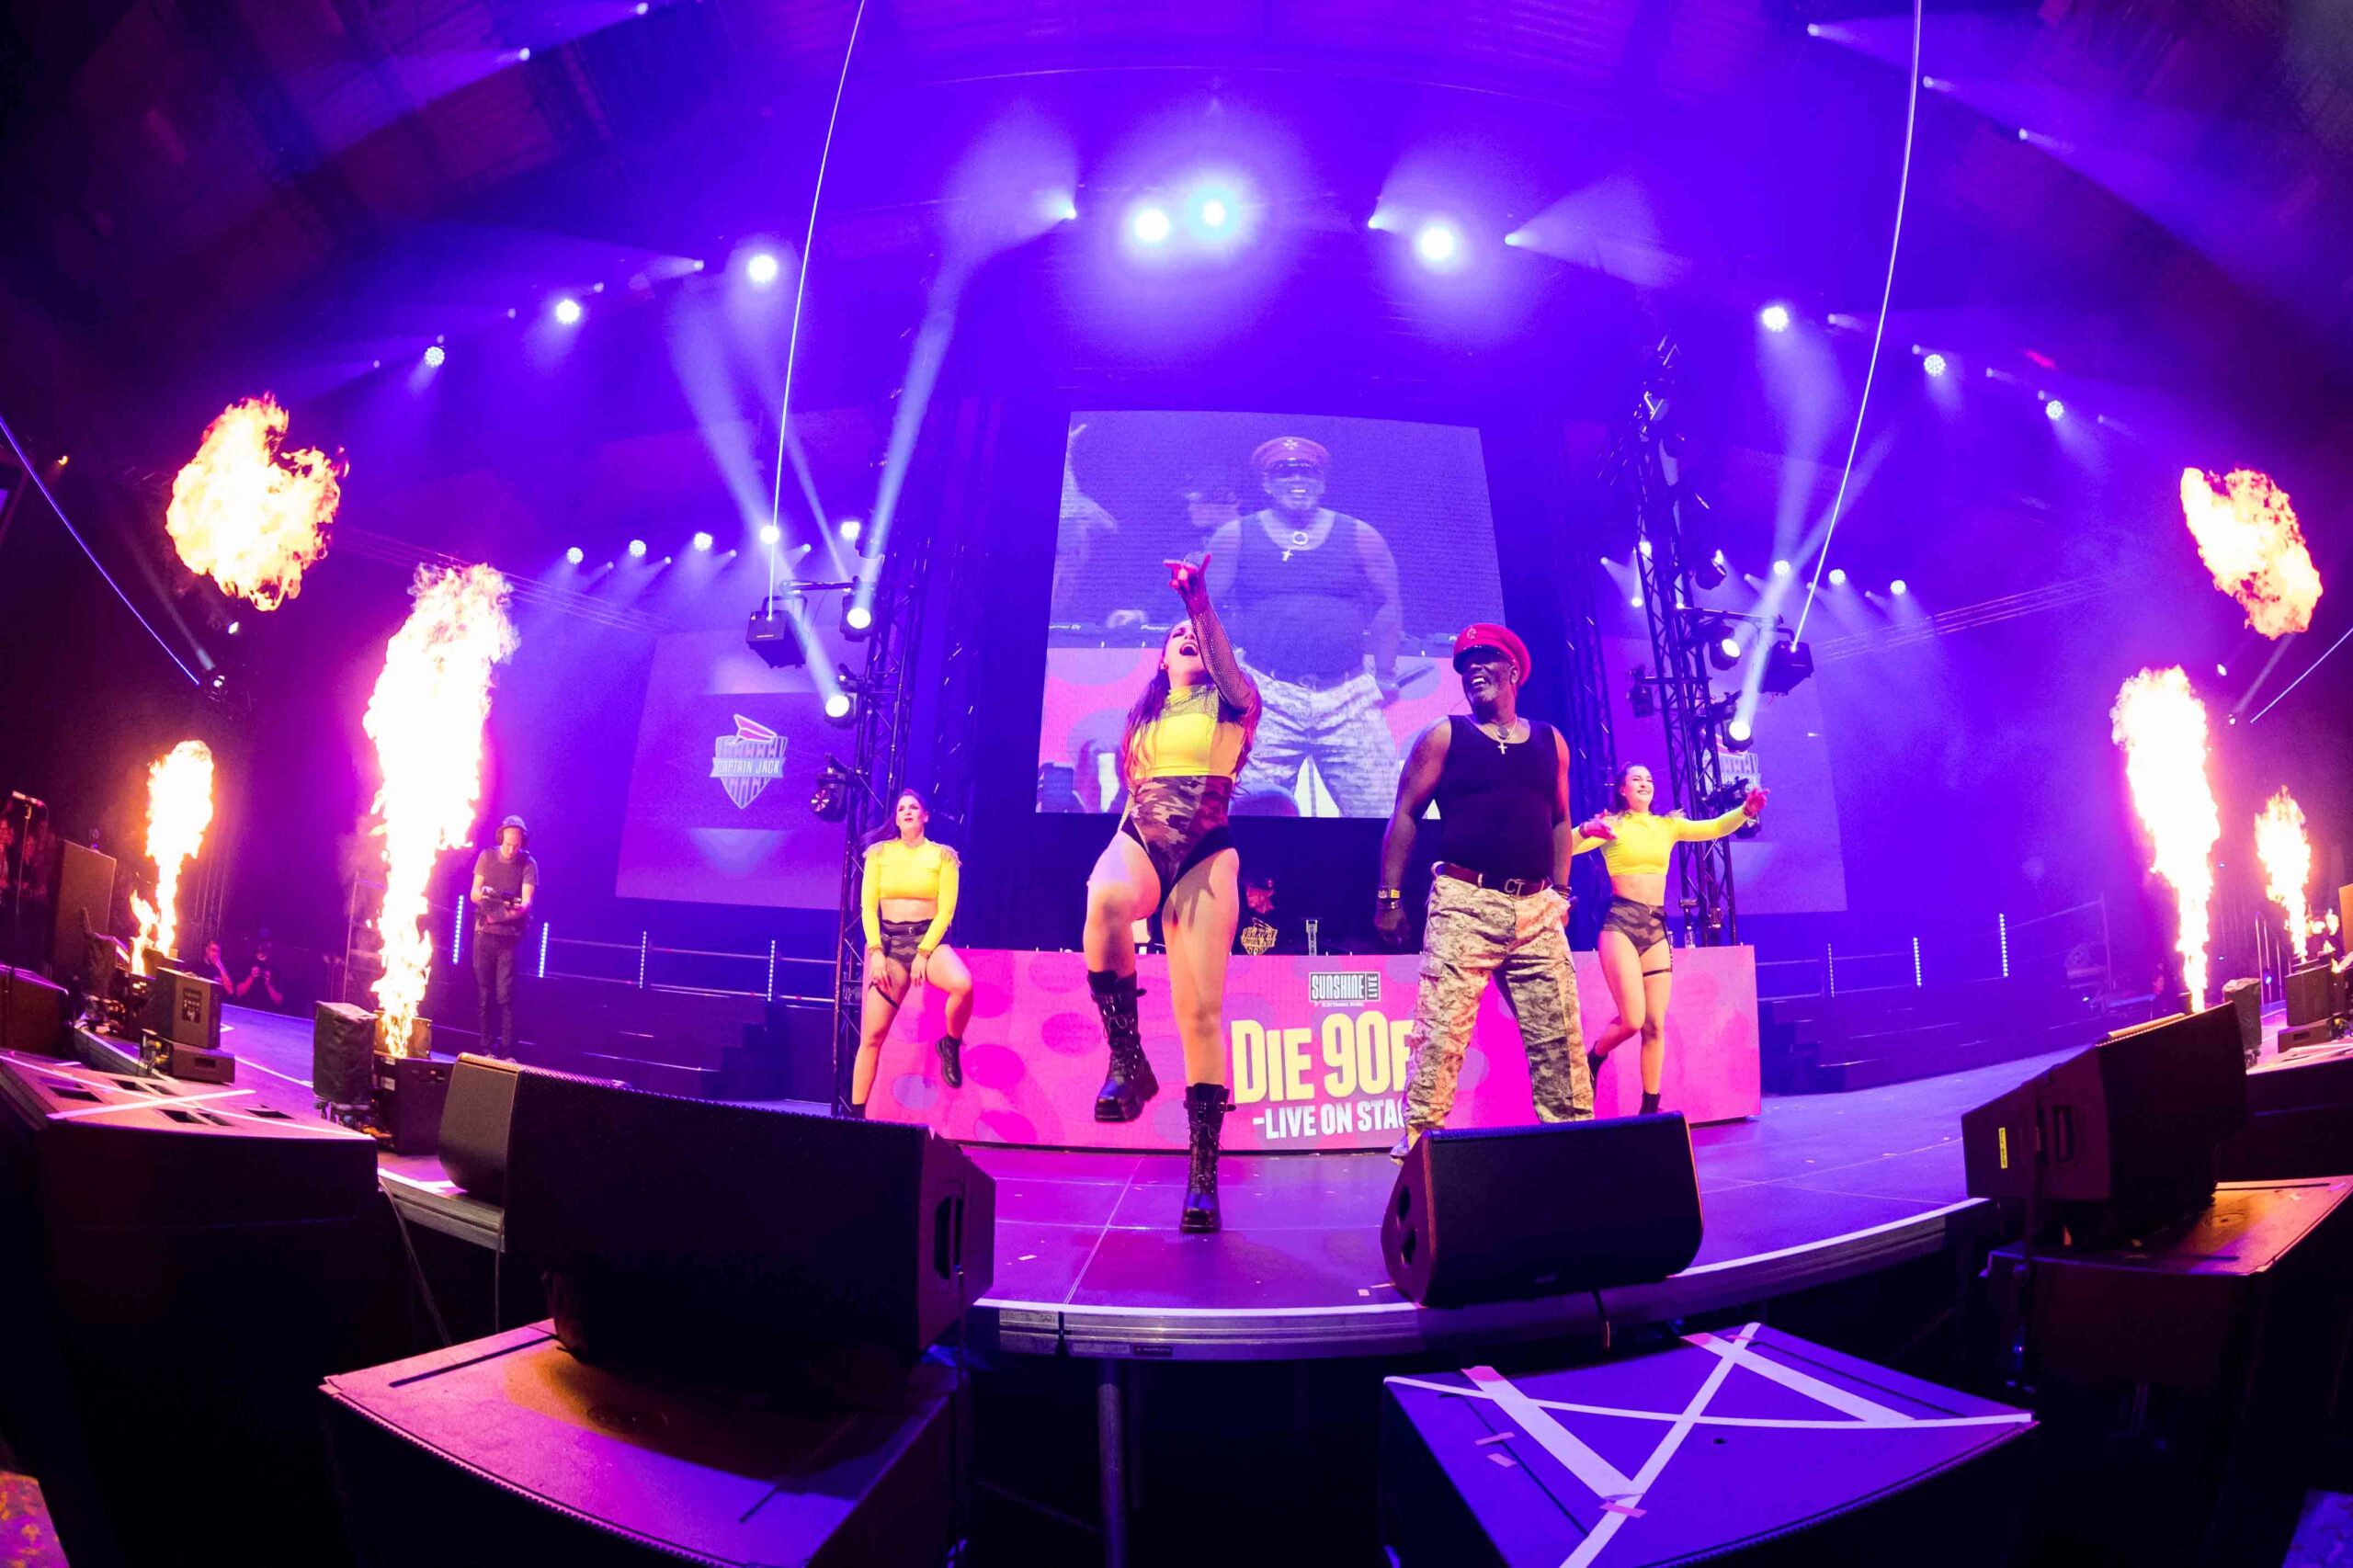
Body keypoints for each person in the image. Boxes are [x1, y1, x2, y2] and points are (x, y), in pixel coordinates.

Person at [1378, 623, 1614, 1155]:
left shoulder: (1550, 741)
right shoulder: (1444, 735)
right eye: (1465, 664)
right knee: (1440, 1037)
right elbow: (1406, 813)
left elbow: (1560, 819)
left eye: (1485, 660)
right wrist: (1388, 897)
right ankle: (1420, 1150)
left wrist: (1562, 892)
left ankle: (1575, 1152)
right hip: (1465, 902)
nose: (1473, 669)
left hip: (1537, 906)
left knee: (1560, 1040)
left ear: (1513, 671)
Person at [1082, 555, 1260, 1233]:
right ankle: (1127, 1057)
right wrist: (1122, 848)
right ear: (1159, 660)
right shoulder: (1141, 719)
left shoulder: (1234, 701)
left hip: (1207, 851)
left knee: (1200, 1017)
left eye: (1194, 636)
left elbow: (1224, 663)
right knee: (1103, 898)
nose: (1185, 638)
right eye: (1176, 636)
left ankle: (1202, 1176)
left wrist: (1199, 606)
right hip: (1141, 833)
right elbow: (1135, 798)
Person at [1207, 437, 1405, 817]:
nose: (1297, 479)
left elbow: (1388, 602)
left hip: (1348, 696)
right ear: (1267, 484)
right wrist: (1224, 678)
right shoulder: (1234, 537)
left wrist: (1385, 673)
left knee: (1382, 816)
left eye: (1307, 471)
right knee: (1250, 816)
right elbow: (1204, 610)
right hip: (1265, 695)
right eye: (1284, 472)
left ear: (1322, 482)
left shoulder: (1361, 535)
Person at [1573, 765, 1766, 1114]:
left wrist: (1745, 811)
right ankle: (1595, 1057)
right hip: (1620, 923)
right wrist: (1585, 828)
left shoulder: (1668, 826)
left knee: (1654, 1024)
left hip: (1655, 926)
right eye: (1636, 779)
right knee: (1632, 1020)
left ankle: (1650, 1107)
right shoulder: (1612, 825)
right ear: (1621, 789)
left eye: (1649, 779)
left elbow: (1714, 828)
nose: (1645, 783)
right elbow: (1564, 847)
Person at [851, 789, 974, 1116]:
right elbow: (868, 907)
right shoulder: (879, 853)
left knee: (963, 985)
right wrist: (876, 952)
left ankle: (950, 1042)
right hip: (889, 945)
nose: (907, 812)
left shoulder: (943, 856)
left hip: (927, 940)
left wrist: (923, 952)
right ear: (896, 818)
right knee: (872, 1037)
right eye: (901, 808)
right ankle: (854, 1118)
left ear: (925, 815)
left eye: (914, 807)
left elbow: (946, 912)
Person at [470, 815, 538, 1056]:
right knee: (485, 995)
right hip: (484, 935)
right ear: (501, 838)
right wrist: (487, 897)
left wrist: (502, 915)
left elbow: (526, 903)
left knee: (505, 996)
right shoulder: (487, 856)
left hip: (509, 939)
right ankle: (486, 1049)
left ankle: (508, 1052)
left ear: (522, 842)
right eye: (508, 844)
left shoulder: (528, 864)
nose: (511, 849)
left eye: (516, 845)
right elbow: (474, 892)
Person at [1234, 870, 1301, 957]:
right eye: (1247, 890)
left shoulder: (1282, 921)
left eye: (1252, 890)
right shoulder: (1241, 919)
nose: (1248, 894)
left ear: (1269, 892)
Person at [237, 932, 285, 1009]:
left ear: (269, 944)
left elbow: (279, 1001)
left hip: (267, 1010)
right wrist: (251, 978)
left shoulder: (276, 967)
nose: (261, 947)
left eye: (264, 943)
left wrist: (268, 985)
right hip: (247, 1006)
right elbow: (238, 993)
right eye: (259, 943)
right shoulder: (246, 963)